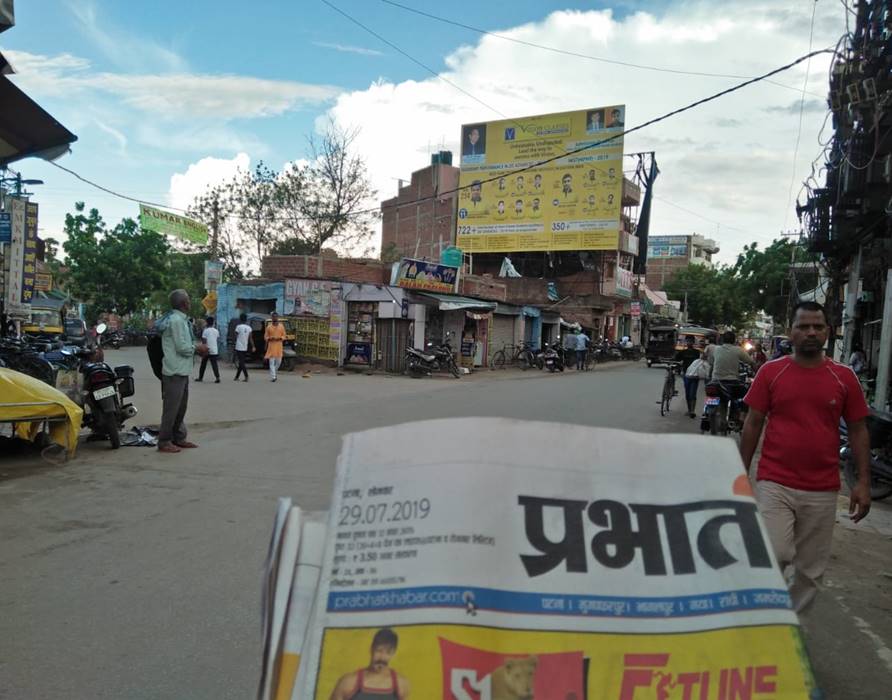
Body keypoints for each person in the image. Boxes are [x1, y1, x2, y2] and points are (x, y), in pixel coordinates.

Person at [740, 301, 871, 613]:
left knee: (810, 571)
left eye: (817, 326)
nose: (811, 332)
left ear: (827, 332)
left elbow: (858, 430)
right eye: (803, 326)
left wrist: (863, 482)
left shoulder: (844, 377)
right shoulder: (771, 372)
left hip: (823, 488)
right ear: (790, 332)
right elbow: (753, 423)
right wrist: (738, 471)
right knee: (775, 552)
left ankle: (791, 633)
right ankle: (765, 617)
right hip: (775, 481)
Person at [155, 289, 208, 454]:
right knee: (171, 408)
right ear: (185, 303)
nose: (190, 302)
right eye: (189, 300)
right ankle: (164, 441)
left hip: (181, 370)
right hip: (174, 371)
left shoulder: (181, 319)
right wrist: (198, 348)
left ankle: (179, 437)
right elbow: (182, 347)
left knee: (180, 407)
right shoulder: (177, 321)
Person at [329, 627, 410, 700]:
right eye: (379, 650)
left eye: (388, 653)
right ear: (371, 649)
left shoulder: (401, 685)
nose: (382, 657)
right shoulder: (348, 682)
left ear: (393, 653)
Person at [675, 335, 702, 418]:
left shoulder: (697, 352)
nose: (689, 342)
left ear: (693, 342)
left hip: (695, 376)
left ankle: (692, 411)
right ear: (686, 342)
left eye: (691, 341)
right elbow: (676, 359)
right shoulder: (683, 352)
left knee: (692, 394)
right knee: (687, 393)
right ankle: (689, 409)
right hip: (686, 375)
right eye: (688, 341)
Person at [196, 316, 220, 383]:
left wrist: (203, 349)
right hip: (214, 350)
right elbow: (217, 340)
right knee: (214, 364)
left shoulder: (205, 331)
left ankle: (200, 378)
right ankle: (217, 377)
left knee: (203, 364)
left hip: (206, 349)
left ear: (207, 322)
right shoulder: (216, 331)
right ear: (213, 323)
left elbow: (204, 341)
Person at [264, 312, 286, 382]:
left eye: (276, 317)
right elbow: (265, 337)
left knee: (279, 362)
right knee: (271, 362)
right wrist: (270, 338)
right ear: (271, 318)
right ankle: (273, 377)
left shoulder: (281, 326)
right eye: (273, 317)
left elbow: (284, 336)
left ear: (277, 317)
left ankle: (274, 372)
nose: (274, 318)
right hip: (271, 347)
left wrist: (280, 338)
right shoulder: (269, 327)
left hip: (279, 346)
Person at [234, 313, 254, 382]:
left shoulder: (238, 327)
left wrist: (236, 342)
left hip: (239, 346)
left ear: (240, 319)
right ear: (246, 320)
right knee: (241, 362)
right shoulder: (249, 328)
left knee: (241, 362)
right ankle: (236, 377)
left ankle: (246, 376)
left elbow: (236, 336)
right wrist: (253, 346)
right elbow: (250, 338)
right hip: (245, 346)